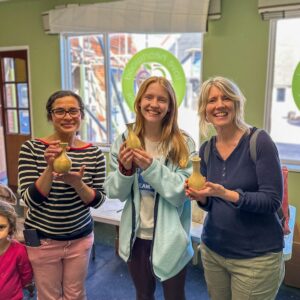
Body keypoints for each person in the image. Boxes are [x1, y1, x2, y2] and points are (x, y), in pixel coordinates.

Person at [185, 76, 284, 300]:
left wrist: (226, 193)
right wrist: (200, 197)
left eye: (226, 98)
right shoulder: (206, 149)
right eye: (212, 100)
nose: (219, 105)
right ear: (204, 110)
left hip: (255, 260)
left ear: (237, 103)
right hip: (213, 252)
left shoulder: (259, 142)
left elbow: (271, 201)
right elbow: (210, 204)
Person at [105, 76, 196, 300]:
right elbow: (114, 192)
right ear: (139, 102)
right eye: (149, 97)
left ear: (170, 107)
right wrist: (125, 171)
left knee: (175, 297)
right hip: (135, 238)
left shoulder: (183, 143)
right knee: (143, 295)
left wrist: (149, 166)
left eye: (162, 99)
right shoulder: (125, 140)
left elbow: (180, 193)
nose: (154, 104)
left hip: (171, 239)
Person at [18, 90, 106, 300]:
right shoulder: (32, 148)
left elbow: (98, 200)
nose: (67, 117)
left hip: (80, 239)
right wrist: (49, 168)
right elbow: (30, 200)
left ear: (81, 115)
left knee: (75, 295)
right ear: (50, 116)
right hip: (43, 240)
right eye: (60, 111)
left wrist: (78, 184)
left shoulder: (94, 153)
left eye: (73, 111)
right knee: (49, 296)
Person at [0, 200, 34, 300]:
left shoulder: (18, 250)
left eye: (1, 227)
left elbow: (26, 273)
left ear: (10, 227)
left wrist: (27, 284)